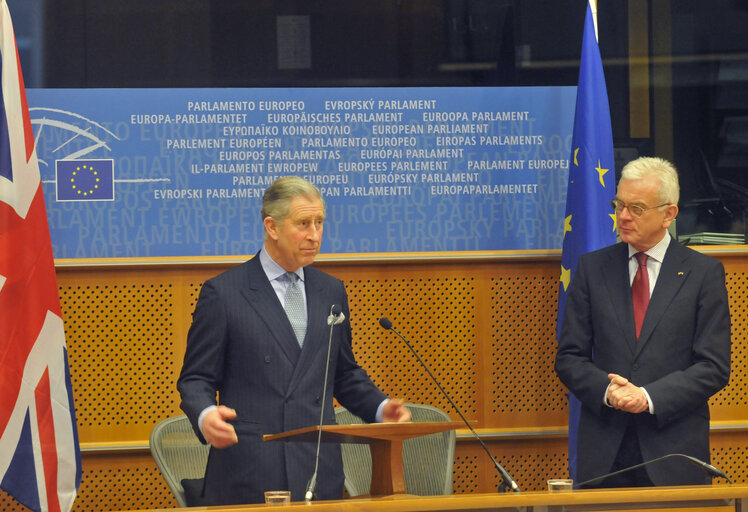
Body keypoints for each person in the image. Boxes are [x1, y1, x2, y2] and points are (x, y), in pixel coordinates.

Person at [177, 176, 411, 505]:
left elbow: (343, 372)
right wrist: (205, 415)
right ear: (272, 227)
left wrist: (379, 406)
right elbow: (196, 378)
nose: (314, 235)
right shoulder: (225, 293)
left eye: (319, 223)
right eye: (303, 224)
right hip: (252, 468)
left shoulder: (330, 291)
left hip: (318, 466)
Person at [555, 156, 731, 487]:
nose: (622, 216)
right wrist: (609, 391)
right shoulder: (593, 269)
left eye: (636, 208)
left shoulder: (703, 274)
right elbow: (568, 357)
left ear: (669, 214)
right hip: (605, 455)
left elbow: (713, 366)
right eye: (619, 204)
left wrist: (647, 397)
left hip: (674, 454)